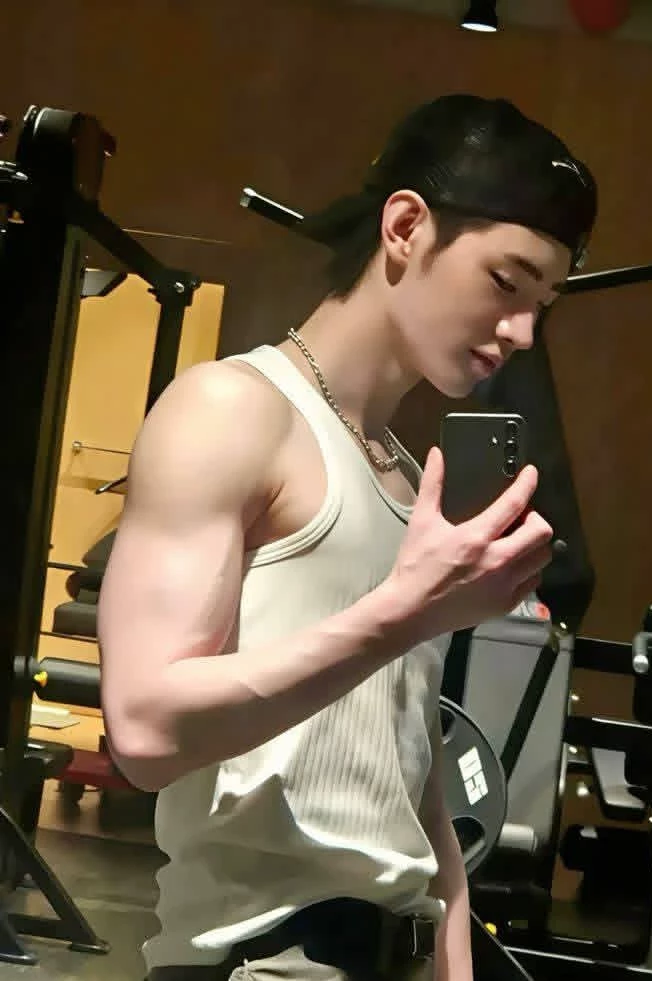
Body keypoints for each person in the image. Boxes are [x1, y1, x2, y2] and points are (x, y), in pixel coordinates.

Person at [97, 94, 597, 981]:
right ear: (405, 227)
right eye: (506, 282)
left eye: (543, 303)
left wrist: (453, 958)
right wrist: (406, 613)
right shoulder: (233, 410)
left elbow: (410, 776)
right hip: (265, 960)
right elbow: (144, 729)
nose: (522, 331)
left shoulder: (404, 479)